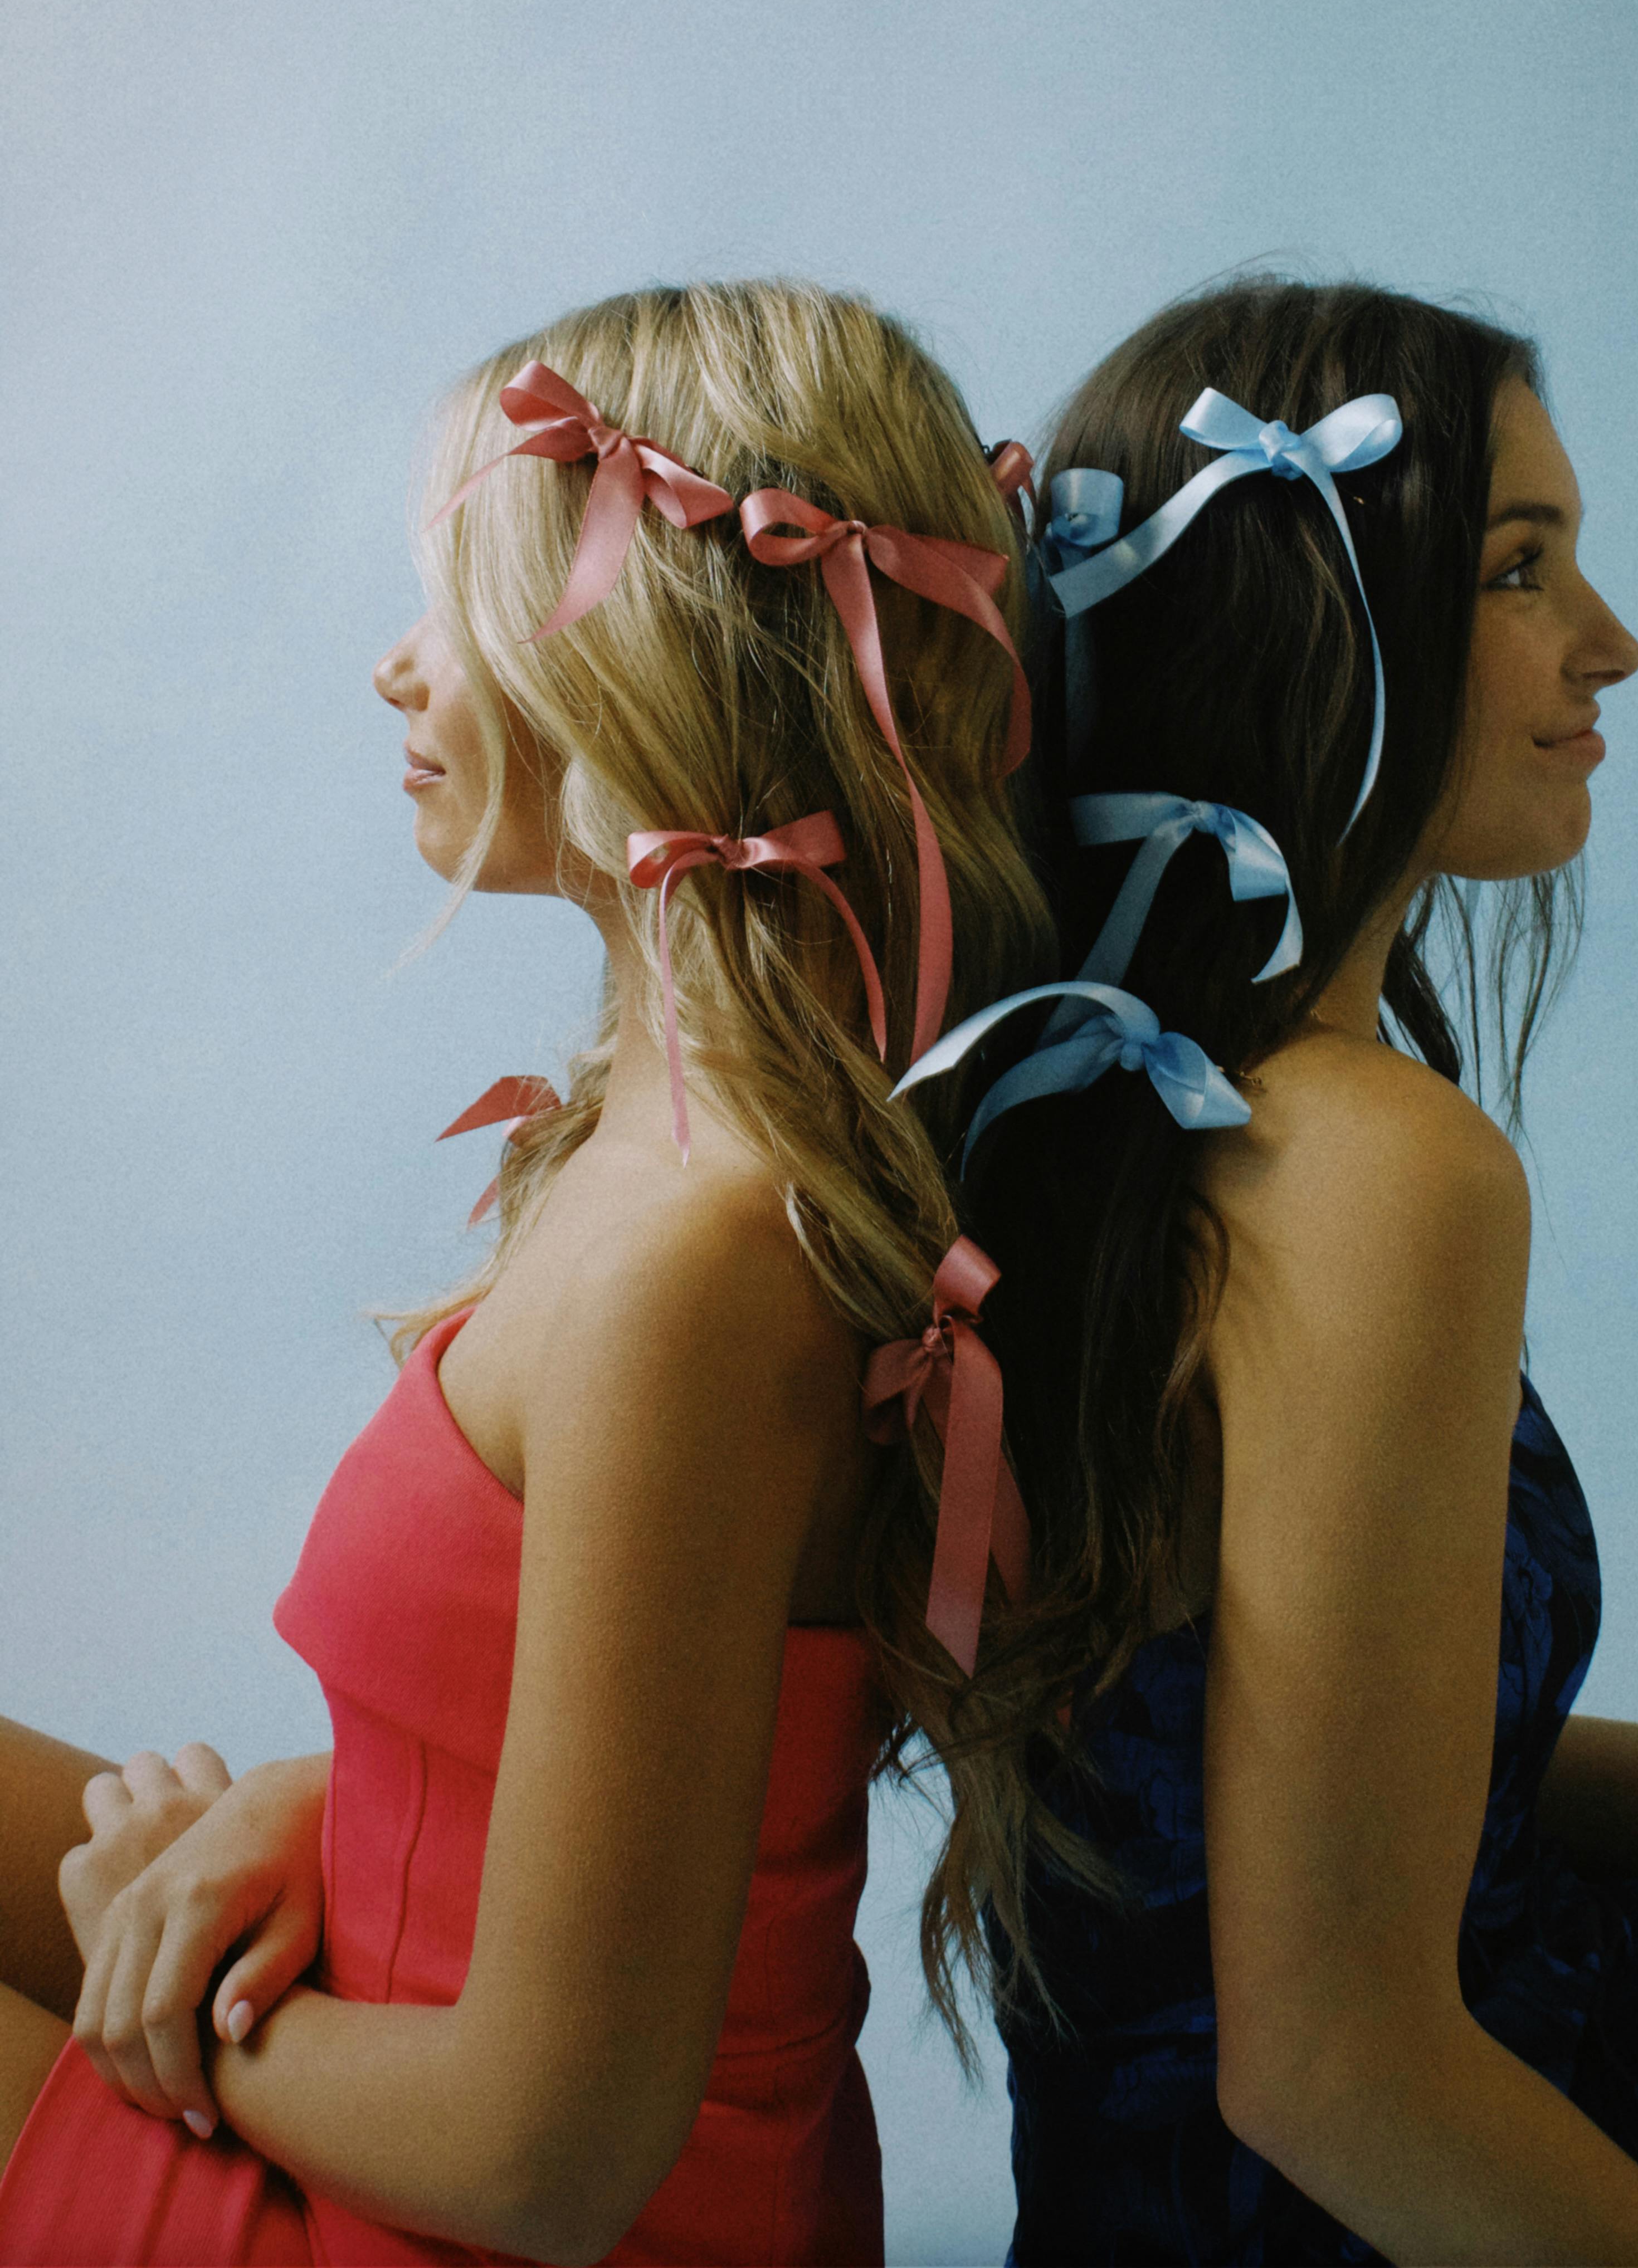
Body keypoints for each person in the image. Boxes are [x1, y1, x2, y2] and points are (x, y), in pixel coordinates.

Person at [0, 278, 1050, 2266]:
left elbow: (550, 2159)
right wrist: (299, 1812)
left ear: (640, 639)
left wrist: (178, 2017)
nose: (398, 670)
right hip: (379, 2112)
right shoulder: (652, 1173)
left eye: (456, 596)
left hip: (431, 2208)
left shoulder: (703, 1265)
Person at [893, 278, 1638, 2266]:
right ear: (1316, 621)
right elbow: (1334, 2071)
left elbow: (1357, 1775)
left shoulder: (1115, 1114)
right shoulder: (1376, 1176)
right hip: (1369, 2196)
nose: (1609, 647)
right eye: (1520, 572)